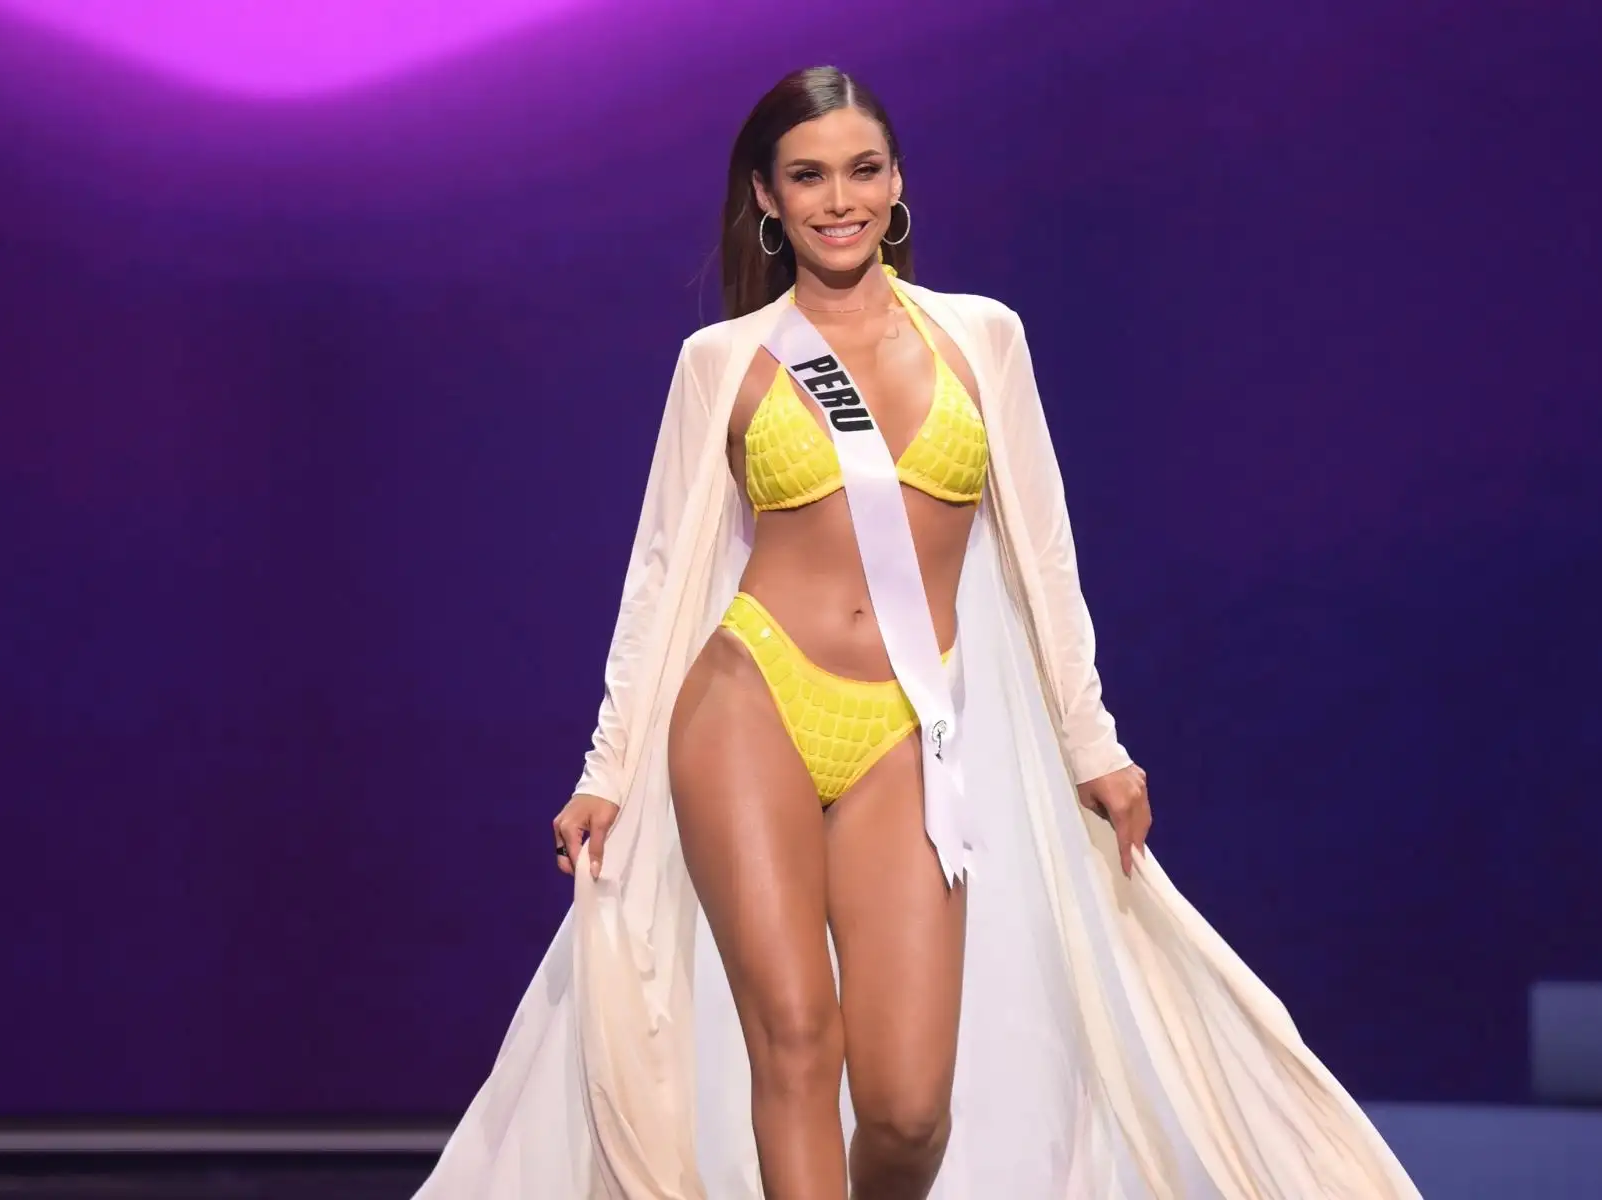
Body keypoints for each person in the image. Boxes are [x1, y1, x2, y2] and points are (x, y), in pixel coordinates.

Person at [415, 66, 1421, 1200]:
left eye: (862, 171)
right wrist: (606, 768)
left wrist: (1093, 741)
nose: (839, 199)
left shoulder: (982, 338)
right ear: (767, 198)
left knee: (905, 1110)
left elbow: (1043, 553)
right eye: (808, 177)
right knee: (795, 1040)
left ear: (896, 183)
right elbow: (659, 574)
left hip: (908, 729)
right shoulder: (724, 360)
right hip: (750, 701)